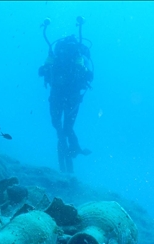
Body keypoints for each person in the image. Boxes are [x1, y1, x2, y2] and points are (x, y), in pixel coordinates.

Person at [38, 17, 93, 173]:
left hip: (58, 96)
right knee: (66, 128)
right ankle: (71, 158)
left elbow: (42, 71)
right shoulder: (78, 58)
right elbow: (89, 77)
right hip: (73, 98)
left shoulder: (56, 56)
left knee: (60, 129)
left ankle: (66, 162)